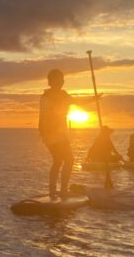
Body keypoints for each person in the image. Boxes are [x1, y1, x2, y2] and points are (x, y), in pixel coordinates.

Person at [39, 69, 97, 200]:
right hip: (52, 134)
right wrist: (46, 132)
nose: (62, 81)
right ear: (51, 81)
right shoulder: (47, 97)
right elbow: (44, 116)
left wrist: (93, 99)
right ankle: (60, 191)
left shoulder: (61, 95)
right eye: (59, 79)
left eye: (62, 79)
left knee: (59, 161)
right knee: (67, 160)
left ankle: (55, 191)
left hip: (57, 134)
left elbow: (77, 101)